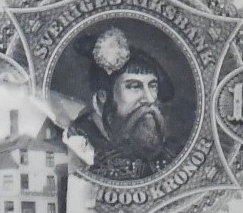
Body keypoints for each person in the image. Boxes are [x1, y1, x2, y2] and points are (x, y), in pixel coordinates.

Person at [65, 25, 182, 180]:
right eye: (134, 86)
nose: (150, 99)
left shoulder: (169, 154)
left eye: (153, 86)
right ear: (102, 98)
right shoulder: (76, 145)